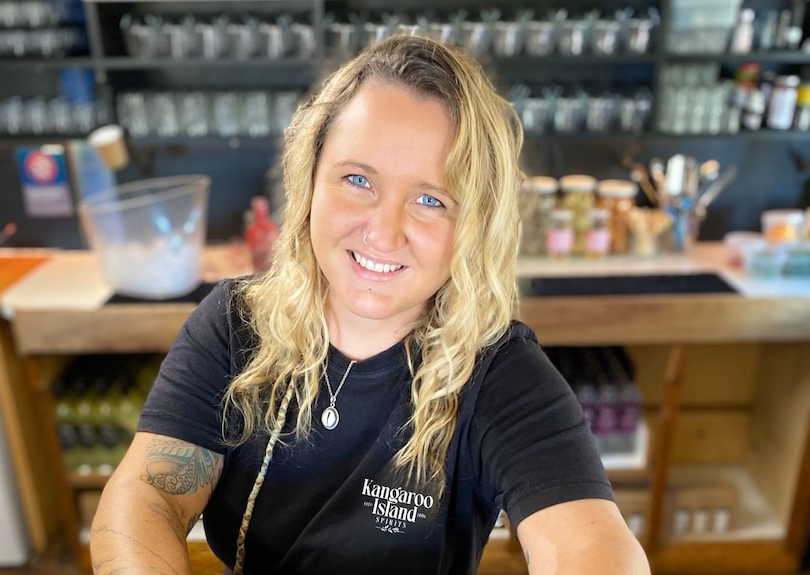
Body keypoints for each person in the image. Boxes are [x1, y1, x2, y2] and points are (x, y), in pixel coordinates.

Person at [90, 34, 651, 575]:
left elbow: (588, 543)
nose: (383, 233)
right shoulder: (236, 326)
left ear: (474, 225)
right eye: (358, 180)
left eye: (431, 199)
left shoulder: (498, 375)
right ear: (309, 182)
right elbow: (146, 496)